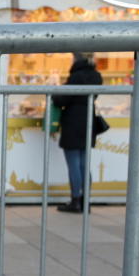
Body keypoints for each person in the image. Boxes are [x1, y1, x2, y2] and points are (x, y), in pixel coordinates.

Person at [53, 53, 103, 214]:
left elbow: (62, 100)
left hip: (73, 122)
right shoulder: (96, 76)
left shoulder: (75, 77)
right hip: (89, 120)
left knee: (73, 163)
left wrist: (54, 93)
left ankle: (75, 200)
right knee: (84, 164)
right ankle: (85, 201)